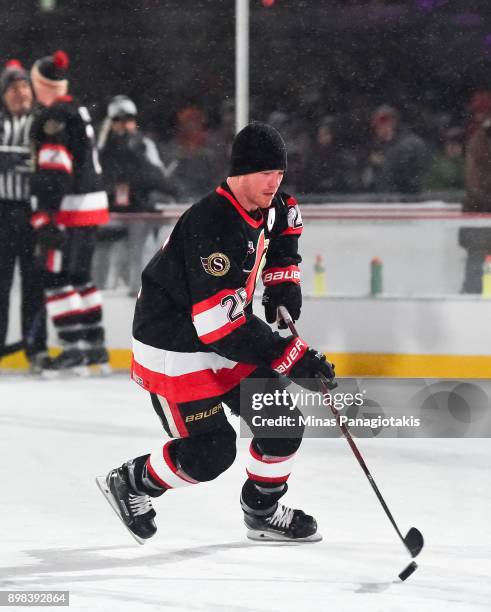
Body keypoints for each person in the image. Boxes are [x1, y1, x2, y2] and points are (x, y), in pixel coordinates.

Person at [97, 122, 335, 543]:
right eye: (265, 174)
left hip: (223, 334)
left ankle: (261, 511)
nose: (274, 183)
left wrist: (283, 283)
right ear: (239, 173)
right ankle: (131, 482)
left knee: (280, 423)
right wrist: (292, 357)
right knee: (210, 454)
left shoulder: (271, 204)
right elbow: (219, 329)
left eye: (279, 174)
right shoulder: (213, 224)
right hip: (174, 346)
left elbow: (285, 229)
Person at [29, 50, 110, 372]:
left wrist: (45, 214)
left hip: (69, 209)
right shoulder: (77, 109)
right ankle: (95, 348)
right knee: (81, 277)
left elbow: (54, 168)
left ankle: (74, 348)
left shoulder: (54, 117)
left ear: (41, 84)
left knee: (57, 278)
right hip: (91, 206)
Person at [97, 95, 179, 294]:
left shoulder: (143, 146)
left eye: (129, 119)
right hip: (107, 213)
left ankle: (138, 290)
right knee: (102, 274)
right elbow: (97, 177)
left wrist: (137, 156)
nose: (124, 125)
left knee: (139, 270)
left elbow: (161, 180)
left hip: (138, 212)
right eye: (117, 120)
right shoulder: (101, 147)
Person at [0, 59, 48, 371]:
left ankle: (36, 349)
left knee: (35, 283)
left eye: (25, 87)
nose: (21, 93)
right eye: (14, 88)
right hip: (2, 211)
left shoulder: (42, 123)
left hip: (33, 213)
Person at [361, 104, 428, 194]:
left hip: (407, 200)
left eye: (383, 124)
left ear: (393, 123)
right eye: (377, 126)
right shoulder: (382, 146)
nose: (378, 129)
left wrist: (383, 164)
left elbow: (405, 178)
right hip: (390, 200)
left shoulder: (409, 144)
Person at [459, 117, 491, 293]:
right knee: (476, 269)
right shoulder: (480, 142)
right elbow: (475, 185)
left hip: (479, 215)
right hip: (480, 217)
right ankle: (471, 296)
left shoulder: (479, 140)